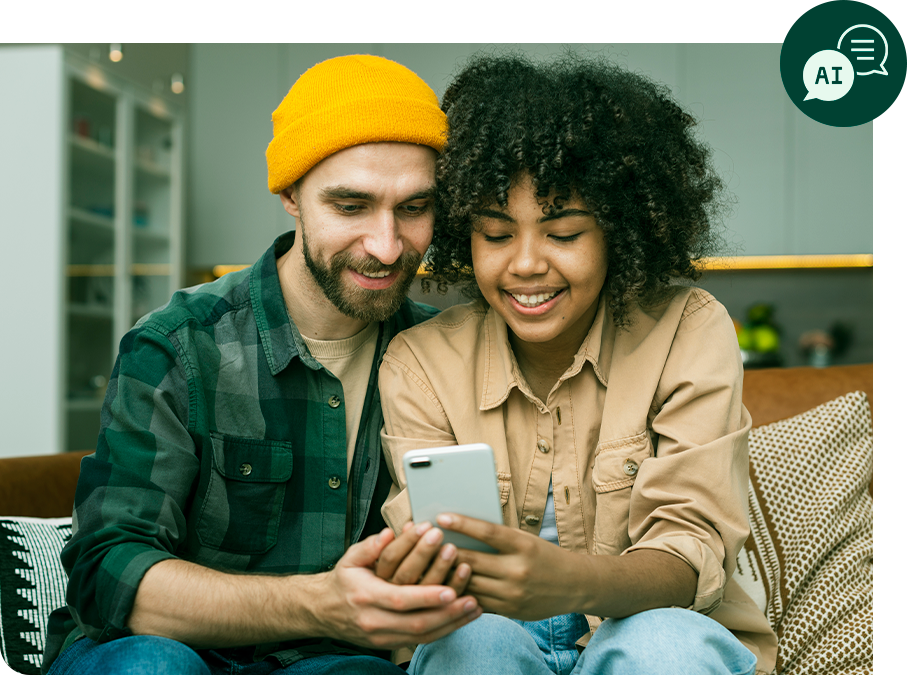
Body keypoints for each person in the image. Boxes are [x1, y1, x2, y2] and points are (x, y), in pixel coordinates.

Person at [42, 54, 482, 675]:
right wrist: (319, 604)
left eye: (414, 209)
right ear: (290, 195)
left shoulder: (447, 355)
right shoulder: (177, 344)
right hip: (154, 650)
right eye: (351, 206)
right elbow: (108, 574)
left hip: (328, 663)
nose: (387, 246)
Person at [378, 54, 779, 674]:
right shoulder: (421, 362)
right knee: (475, 643)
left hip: (646, 625)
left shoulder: (685, 331)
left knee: (664, 645)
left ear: (620, 231)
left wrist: (572, 582)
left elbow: (689, 551)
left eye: (563, 234)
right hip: (487, 630)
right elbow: (436, 564)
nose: (527, 264)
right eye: (495, 233)